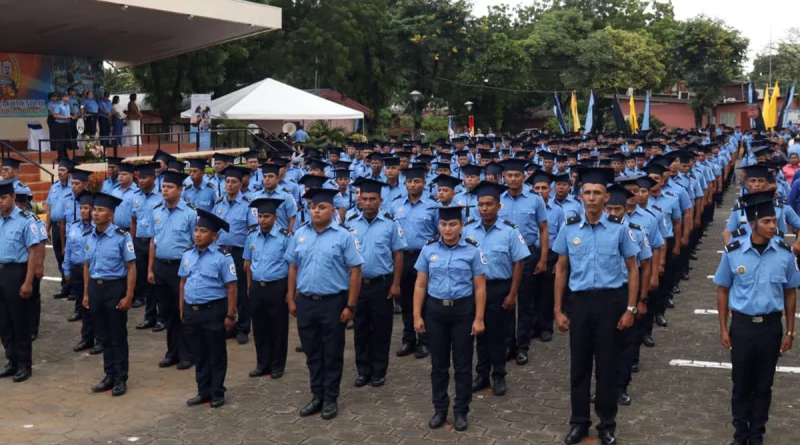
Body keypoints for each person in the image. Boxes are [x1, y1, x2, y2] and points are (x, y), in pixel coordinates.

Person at [552, 167, 640, 445]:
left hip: (610, 302)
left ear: (606, 197)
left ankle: (606, 424)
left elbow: (633, 269)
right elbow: (561, 269)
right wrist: (557, 309)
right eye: (587, 193)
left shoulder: (619, 229)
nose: (592, 198)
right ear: (581, 197)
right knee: (579, 367)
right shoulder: (568, 230)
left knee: (607, 367)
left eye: (597, 193)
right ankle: (579, 422)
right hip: (579, 303)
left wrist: (631, 309)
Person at [714, 191, 799, 445]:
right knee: (741, 384)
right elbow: (722, 289)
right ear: (753, 224)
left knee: (763, 386)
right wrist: (723, 328)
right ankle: (740, 435)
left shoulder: (784, 254)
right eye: (767, 222)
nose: (774, 226)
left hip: (771, 327)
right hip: (742, 326)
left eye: (775, 221)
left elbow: (790, 292)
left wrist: (790, 331)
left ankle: (756, 434)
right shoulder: (734, 251)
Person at [285, 188, 364, 420]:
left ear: (333, 211)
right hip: (307, 302)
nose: (316, 211)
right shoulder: (300, 234)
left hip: (333, 302)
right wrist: (291, 297)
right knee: (312, 352)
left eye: (321, 207)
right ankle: (316, 395)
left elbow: (356, 271)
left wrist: (350, 306)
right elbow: (292, 267)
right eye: (312, 207)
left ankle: (330, 397)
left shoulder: (344, 236)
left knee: (332, 352)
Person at [413, 205, 487, 431]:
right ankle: (440, 409)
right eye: (443, 224)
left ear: (461, 226)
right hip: (436, 311)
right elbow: (420, 284)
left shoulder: (472, 250)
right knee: (439, 365)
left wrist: (479, 318)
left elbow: (480, 288)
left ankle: (461, 411)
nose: (447, 229)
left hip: (463, 312)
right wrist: (417, 314)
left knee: (463, 365)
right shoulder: (428, 249)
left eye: (453, 224)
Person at [463, 181, 529, 397]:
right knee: (479, 334)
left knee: (498, 336)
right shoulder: (468, 229)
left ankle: (498, 375)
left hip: (500, 288)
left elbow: (519, 262)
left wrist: (512, 293)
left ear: (498, 206)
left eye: (489, 204)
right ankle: (481, 374)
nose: (484, 208)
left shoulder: (510, 231)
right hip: (474, 290)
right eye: (481, 204)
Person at [347, 179, 407, 388]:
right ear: (359, 201)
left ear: (380, 201)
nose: (369, 203)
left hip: (382, 284)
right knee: (361, 329)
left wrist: (396, 284)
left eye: (373, 199)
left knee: (381, 329)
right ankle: (363, 370)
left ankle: (379, 371)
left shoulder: (391, 223)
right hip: (358, 285)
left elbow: (398, 254)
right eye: (365, 199)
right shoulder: (351, 222)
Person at [180, 209, 238, 408]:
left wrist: (230, 315)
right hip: (192, 311)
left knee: (216, 353)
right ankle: (202, 391)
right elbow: (183, 283)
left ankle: (217, 392)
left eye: (203, 231)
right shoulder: (187, 254)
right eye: (196, 230)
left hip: (213, 311)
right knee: (199, 353)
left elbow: (231, 288)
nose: (197, 234)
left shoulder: (223, 257)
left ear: (214, 236)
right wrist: (182, 309)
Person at [83, 193, 136, 396]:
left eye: (100, 210)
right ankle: (109, 374)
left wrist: (129, 295)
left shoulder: (122, 236)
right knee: (102, 335)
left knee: (117, 335)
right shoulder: (89, 235)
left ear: (111, 215)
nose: (95, 213)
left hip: (114, 288)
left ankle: (121, 377)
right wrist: (87, 293)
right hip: (96, 289)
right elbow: (87, 266)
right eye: (94, 209)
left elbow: (131, 267)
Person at [498, 158, 549, 366]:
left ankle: (523, 346)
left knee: (526, 303)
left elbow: (544, 229)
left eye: (516, 175)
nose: (512, 179)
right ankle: (508, 344)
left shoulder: (535, 199)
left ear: (524, 177)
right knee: (506, 302)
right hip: (504, 258)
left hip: (528, 255)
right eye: (509, 175)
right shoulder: (498, 199)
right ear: (504, 177)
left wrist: (543, 258)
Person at [149, 171, 197, 368]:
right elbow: (153, 241)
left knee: (182, 311)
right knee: (167, 311)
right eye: (163, 187)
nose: (165, 190)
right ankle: (172, 352)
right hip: (161, 266)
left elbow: (196, 244)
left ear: (180, 190)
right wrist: (150, 269)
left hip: (181, 268)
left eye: (169, 187)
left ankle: (187, 354)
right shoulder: (156, 210)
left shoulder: (190, 213)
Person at [389, 167, 436, 359]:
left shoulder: (433, 206)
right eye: (410, 181)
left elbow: (439, 233)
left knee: (425, 300)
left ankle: (425, 341)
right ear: (405, 183)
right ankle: (408, 339)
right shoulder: (395, 205)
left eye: (417, 181)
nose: (413, 185)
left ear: (424, 183)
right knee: (406, 300)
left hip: (424, 257)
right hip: (403, 258)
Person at [243, 198, 291, 378]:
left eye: (266, 216)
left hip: (277, 287)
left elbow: (292, 265)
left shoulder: (285, 237)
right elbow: (248, 262)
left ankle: (277, 365)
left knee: (278, 327)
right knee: (260, 326)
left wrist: (290, 292)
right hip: (257, 287)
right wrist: (249, 286)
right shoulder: (251, 235)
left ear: (275, 217)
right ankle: (262, 363)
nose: (262, 220)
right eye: (260, 216)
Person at [212, 166, 257, 344]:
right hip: (222, 253)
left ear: (241, 184)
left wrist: (248, 257)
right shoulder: (218, 205)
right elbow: (214, 231)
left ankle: (243, 327)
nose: (230, 185)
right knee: (224, 290)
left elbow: (253, 231)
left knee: (241, 292)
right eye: (227, 181)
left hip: (239, 253)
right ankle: (228, 325)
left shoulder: (248, 204)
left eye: (234, 182)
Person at [0, 180, 39, 383]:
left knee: (19, 321)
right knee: (3, 322)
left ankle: (24, 364)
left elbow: (33, 251)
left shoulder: (26, 219)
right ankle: (11, 360)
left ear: (14, 197)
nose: (1, 202)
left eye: (4, 197)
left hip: (17, 273)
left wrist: (28, 282)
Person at [64, 191, 101, 355]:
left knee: (95, 308)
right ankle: (87, 338)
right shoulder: (73, 226)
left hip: (92, 272)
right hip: (77, 269)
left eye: (87, 208)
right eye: (81, 207)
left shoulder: (97, 229)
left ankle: (100, 339)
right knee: (82, 305)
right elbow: (68, 250)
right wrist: (66, 269)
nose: (83, 211)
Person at [15, 194, 47, 342]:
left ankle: (32, 328)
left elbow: (41, 244)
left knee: (33, 297)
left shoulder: (34, 220)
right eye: (17, 204)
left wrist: (39, 266)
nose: (19, 207)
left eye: (21, 204)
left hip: (31, 263)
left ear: (26, 205)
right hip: (16, 266)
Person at [130, 163, 161, 310]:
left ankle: (157, 311)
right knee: (141, 274)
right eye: (139, 178)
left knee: (154, 277)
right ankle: (144, 305)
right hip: (140, 242)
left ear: (153, 178)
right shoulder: (136, 196)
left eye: (144, 177)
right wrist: (131, 240)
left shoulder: (161, 196)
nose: (141, 181)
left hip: (154, 243)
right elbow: (133, 221)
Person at [46, 158, 76, 300]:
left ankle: (74, 288)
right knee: (59, 258)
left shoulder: (73, 187)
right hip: (56, 227)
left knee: (69, 257)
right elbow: (49, 209)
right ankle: (65, 286)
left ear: (69, 173)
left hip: (69, 227)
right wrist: (47, 229)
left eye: (62, 170)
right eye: (58, 170)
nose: (59, 172)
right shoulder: (54, 187)